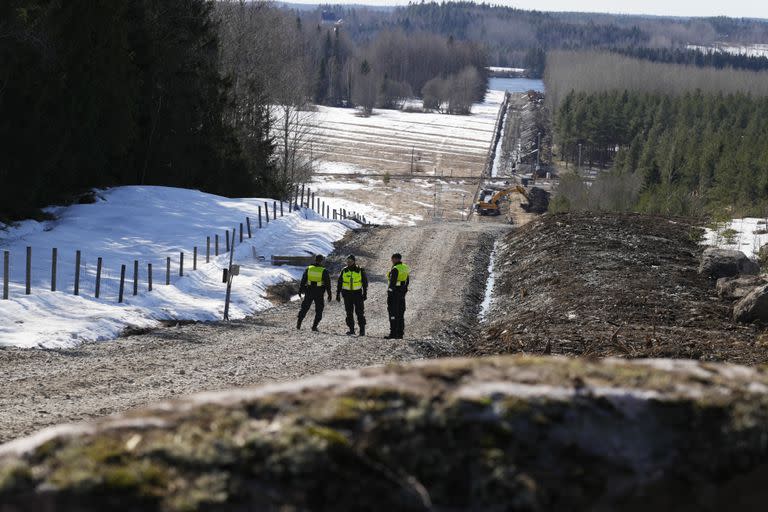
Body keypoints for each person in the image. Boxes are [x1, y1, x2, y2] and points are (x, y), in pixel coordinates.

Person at [297, 254, 332, 332]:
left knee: (305, 307)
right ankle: (314, 326)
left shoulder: (309, 269)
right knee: (319, 309)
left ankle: (299, 323)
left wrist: (300, 290)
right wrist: (329, 294)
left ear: (315, 260)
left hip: (309, 290)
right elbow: (327, 283)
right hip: (319, 292)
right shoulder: (324, 270)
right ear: (322, 261)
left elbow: (303, 280)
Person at [336, 254, 368, 336]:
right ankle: (351, 330)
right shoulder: (344, 270)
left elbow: (365, 283)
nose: (348, 262)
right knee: (349, 313)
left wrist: (365, 293)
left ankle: (362, 331)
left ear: (354, 261)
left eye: (350, 261)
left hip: (357, 294)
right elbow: (340, 283)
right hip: (347, 294)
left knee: (360, 312)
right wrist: (338, 294)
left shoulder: (360, 270)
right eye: (347, 261)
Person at [386, 253, 410, 339]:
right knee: (400, 314)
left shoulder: (395, 269)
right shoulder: (405, 267)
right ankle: (400, 334)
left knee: (392, 313)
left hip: (394, 294)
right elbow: (407, 280)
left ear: (395, 259)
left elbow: (392, 283)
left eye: (392, 259)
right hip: (401, 294)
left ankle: (393, 334)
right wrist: (404, 291)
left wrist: (389, 293)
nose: (392, 261)